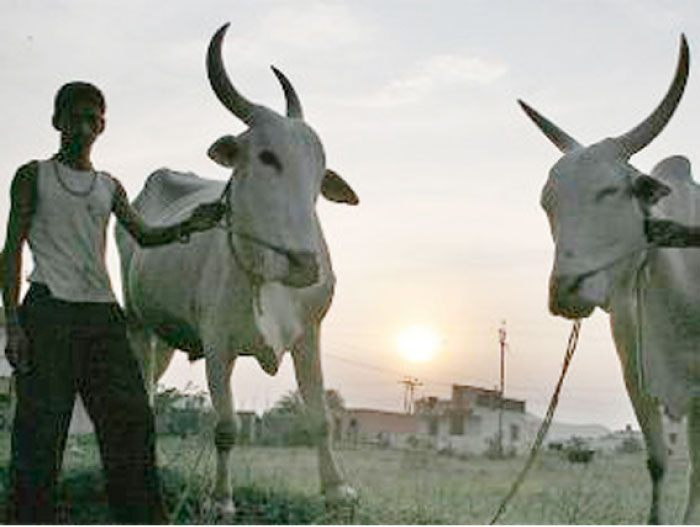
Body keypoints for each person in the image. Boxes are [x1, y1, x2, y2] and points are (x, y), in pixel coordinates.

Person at [2, 81, 225, 524]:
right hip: (48, 310)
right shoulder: (33, 175)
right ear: (56, 121)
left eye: (94, 118)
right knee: (40, 433)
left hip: (102, 315)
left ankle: (142, 518)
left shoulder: (109, 186)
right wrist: (14, 324)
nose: (85, 126)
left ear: (103, 124)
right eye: (75, 117)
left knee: (131, 422)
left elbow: (143, 234)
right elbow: (11, 250)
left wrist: (190, 224)